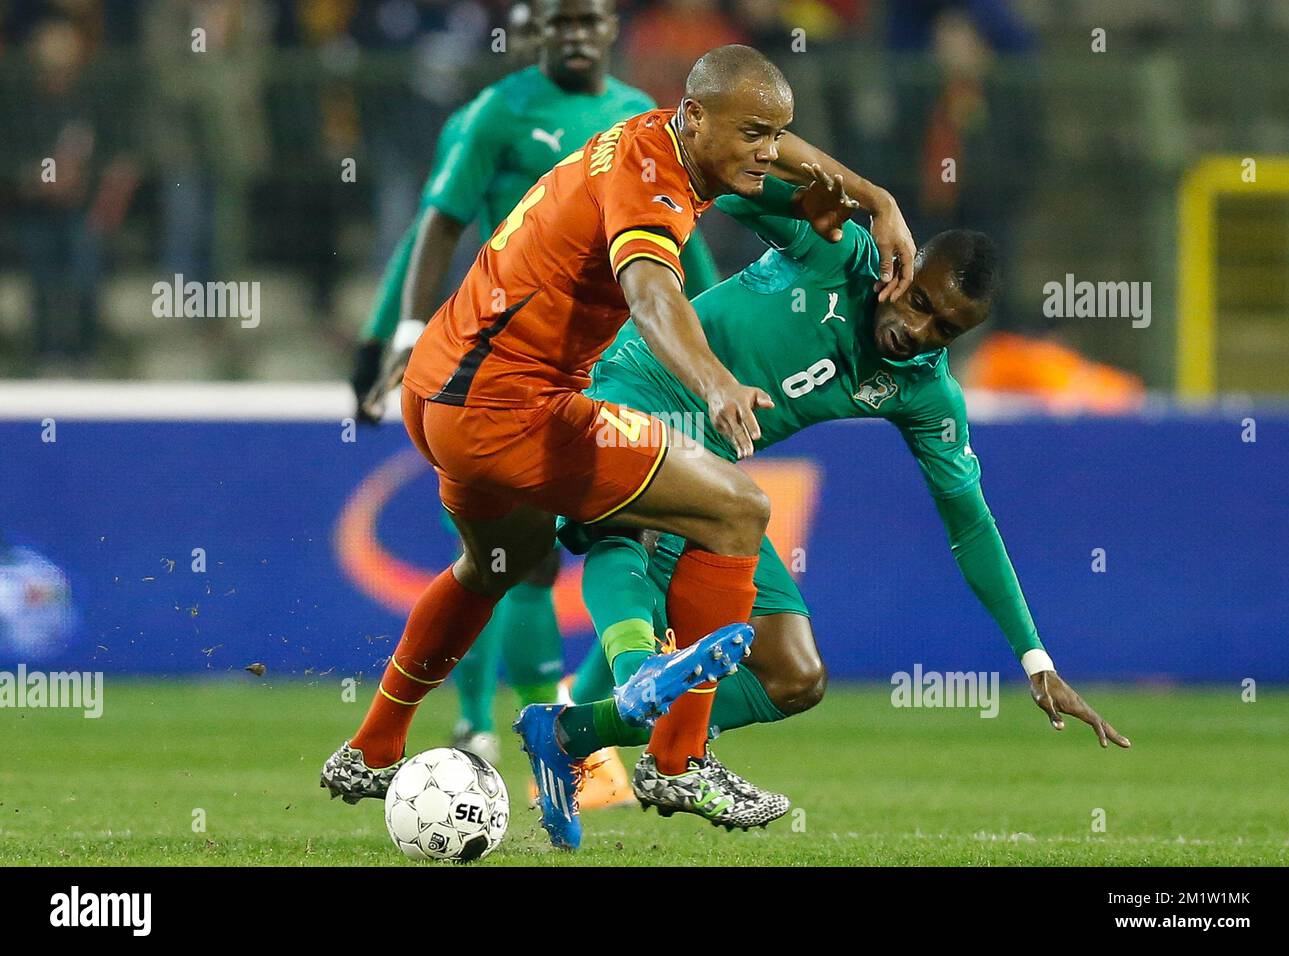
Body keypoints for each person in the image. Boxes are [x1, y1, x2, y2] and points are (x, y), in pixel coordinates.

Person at [322, 43, 917, 852]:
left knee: (495, 562)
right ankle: (678, 760)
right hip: (510, 406)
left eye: (777, 133)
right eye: (753, 134)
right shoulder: (650, 183)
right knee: (738, 511)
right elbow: (650, 291)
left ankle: (373, 744)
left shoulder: (660, 134)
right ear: (696, 118)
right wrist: (712, 381)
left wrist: (873, 195)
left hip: (441, 390)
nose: (770, 153)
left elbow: (780, 151)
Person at [535, 172, 1130, 828]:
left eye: (945, 329)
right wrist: (804, 198)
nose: (919, 328)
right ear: (904, 265)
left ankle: (572, 734)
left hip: (713, 467)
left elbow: (971, 526)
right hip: (642, 378)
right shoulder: (836, 251)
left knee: (795, 675)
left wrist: (1035, 658)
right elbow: (723, 187)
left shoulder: (927, 396)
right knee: (639, 523)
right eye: (920, 300)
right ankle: (656, 710)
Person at [347, 0, 719, 808]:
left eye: (589, 19)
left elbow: (680, 247)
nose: (576, 34)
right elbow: (434, 227)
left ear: (612, 27)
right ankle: (500, 725)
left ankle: (541, 736)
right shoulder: (498, 113)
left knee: (536, 554)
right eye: (559, 22)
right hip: (496, 360)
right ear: (532, 32)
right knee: (526, 558)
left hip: (598, 364)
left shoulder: (638, 120)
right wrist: (394, 333)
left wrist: (715, 345)